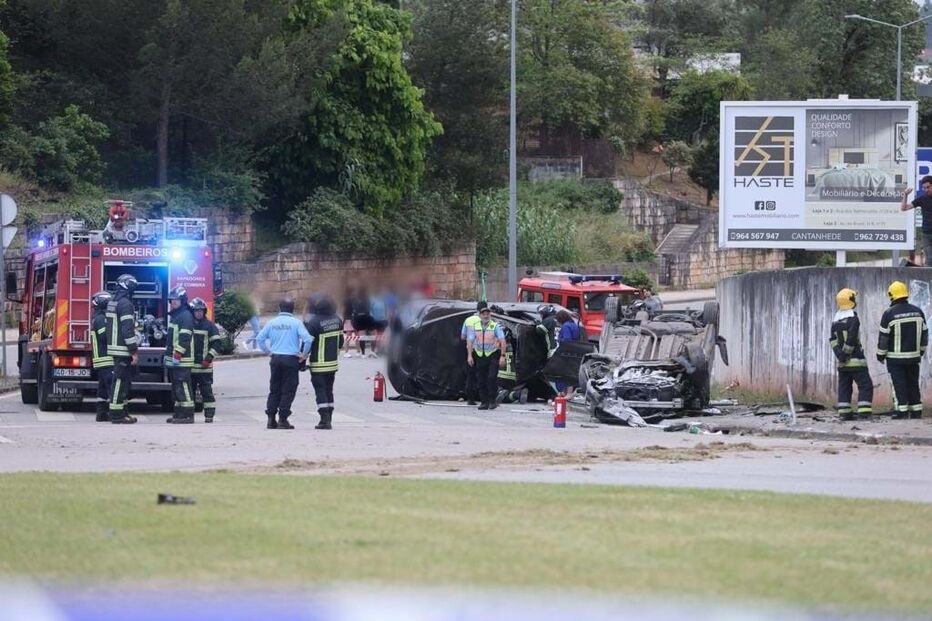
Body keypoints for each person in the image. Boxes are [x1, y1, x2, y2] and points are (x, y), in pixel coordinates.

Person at [255, 297, 313, 429]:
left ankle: (271, 419)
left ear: (279, 308)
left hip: (275, 358)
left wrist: (268, 352)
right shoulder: (296, 323)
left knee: (274, 389)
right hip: (290, 359)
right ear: (292, 309)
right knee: (288, 389)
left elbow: (260, 338)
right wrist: (303, 356)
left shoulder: (272, 322)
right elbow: (308, 340)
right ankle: (283, 419)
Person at [877, 281, 928, 419]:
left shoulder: (888, 314)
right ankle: (916, 410)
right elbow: (924, 335)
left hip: (895, 359)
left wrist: (880, 355)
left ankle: (902, 411)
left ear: (891, 296)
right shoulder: (918, 311)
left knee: (898, 384)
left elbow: (883, 338)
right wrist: (921, 351)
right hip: (914, 357)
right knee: (913, 383)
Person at [830, 288, 873, 421]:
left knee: (844, 387)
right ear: (851, 301)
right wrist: (846, 354)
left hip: (842, 364)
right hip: (856, 361)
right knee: (865, 385)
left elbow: (832, 340)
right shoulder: (853, 319)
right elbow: (852, 338)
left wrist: (840, 355)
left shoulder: (835, 321)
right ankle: (864, 413)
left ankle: (844, 413)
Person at [305, 294, 344, 430]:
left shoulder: (314, 322)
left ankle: (324, 420)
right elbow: (341, 342)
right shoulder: (337, 320)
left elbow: (308, 343)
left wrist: (302, 358)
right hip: (332, 363)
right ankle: (329, 418)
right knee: (329, 390)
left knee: (320, 391)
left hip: (318, 364)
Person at [106, 274, 139, 424]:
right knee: (120, 382)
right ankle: (117, 415)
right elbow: (127, 330)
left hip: (115, 348)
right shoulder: (126, 304)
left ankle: (123, 412)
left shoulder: (114, 301)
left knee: (122, 382)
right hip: (122, 349)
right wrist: (133, 350)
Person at [164, 286, 196, 424]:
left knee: (183, 386)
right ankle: (178, 413)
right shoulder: (177, 316)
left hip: (183, 359)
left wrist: (177, 354)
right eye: (171, 300)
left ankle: (188, 414)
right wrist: (168, 355)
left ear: (182, 300)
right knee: (176, 387)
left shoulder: (185, 316)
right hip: (176, 358)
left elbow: (184, 337)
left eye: (175, 300)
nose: (173, 303)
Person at [466, 301, 506, 410]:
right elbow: (470, 341)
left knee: (491, 377)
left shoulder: (495, 326)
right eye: (483, 314)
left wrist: (502, 356)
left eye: (487, 313)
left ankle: (492, 400)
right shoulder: (475, 326)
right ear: (480, 315)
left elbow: (502, 340)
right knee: (481, 379)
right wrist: (470, 355)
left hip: (493, 355)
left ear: (490, 315)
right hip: (480, 356)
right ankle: (484, 402)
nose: (486, 315)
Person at [190, 297, 221, 423]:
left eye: (200, 311)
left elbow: (217, 344)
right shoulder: (188, 325)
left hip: (204, 367)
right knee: (189, 393)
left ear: (204, 311)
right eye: (196, 311)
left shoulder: (210, 326)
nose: (198, 313)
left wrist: (208, 358)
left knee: (207, 392)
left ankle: (209, 415)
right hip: (190, 366)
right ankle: (188, 414)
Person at [90, 290, 114, 422]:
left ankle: (101, 413)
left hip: (100, 359)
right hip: (106, 358)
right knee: (112, 387)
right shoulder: (101, 319)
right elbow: (105, 337)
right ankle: (113, 412)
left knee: (103, 388)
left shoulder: (97, 318)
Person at [900, 176, 932, 264]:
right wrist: (905, 195)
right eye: (924, 188)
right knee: (929, 260)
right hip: (927, 233)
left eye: (928, 187)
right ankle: (929, 277)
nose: (926, 190)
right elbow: (904, 208)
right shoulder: (922, 199)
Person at [555, 309, 582, 398]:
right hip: (575, 351)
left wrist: (559, 339)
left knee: (565, 373)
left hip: (567, 352)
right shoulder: (573, 325)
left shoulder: (566, 326)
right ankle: (567, 393)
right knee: (571, 372)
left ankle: (567, 393)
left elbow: (567, 340)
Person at [460, 309, 482, 404]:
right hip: (482, 351)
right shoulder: (485, 320)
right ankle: (483, 398)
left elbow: (463, 337)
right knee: (482, 374)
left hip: (470, 350)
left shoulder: (468, 320)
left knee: (470, 375)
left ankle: (470, 399)